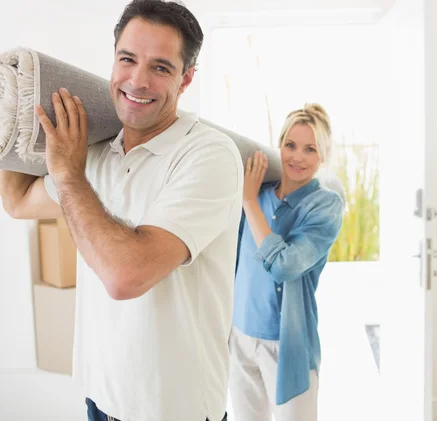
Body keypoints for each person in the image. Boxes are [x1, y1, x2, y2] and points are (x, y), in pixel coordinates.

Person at [0, 1, 241, 420]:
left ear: (187, 80)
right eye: (127, 59)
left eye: (161, 67)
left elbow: (125, 275)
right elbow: (18, 203)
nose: (137, 80)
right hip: (101, 399)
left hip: (174, 410)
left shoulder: (209, 155)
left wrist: (70, 175)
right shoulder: (95, 152)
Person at [229, 104, 344, 421]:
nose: (298, 157)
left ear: (322, 156)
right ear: (279, 144)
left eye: (311, 149)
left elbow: (285, 265)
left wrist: (249, 202)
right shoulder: (259, 193)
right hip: (240, 337)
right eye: (290, 145)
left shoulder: (325, 205)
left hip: (287, 346)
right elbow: (235, 262)